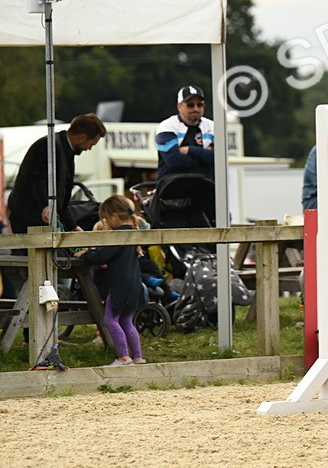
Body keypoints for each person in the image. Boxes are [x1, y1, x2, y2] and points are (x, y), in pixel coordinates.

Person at [76, 195, 148, 366]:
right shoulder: (133, 234)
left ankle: (123, 357)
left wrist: (85, 255)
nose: (106, 223)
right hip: (134, 285)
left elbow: (102, 255)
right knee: (126, 321)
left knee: (110, 320)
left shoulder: (117, 236)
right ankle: (138, 357)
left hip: (119, 286)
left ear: (114, 217)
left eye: (106, 219)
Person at [6, 113, 106, 234]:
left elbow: (61, 198)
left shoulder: (63, 149)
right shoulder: (50, 147)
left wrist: (72, 226)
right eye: (91, 144)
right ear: (81, 138)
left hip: (36, 217)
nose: (89, 148)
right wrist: (46, 205)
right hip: (27, 218)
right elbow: (39, 180)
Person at [157, 85, 215, 180]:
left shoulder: (212, 126)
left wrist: (189, 150)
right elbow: (174, 162)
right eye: (190, 105)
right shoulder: (167, 126)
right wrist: (205, 156)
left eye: (199, 105)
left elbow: (219, 158)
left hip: (206, 188)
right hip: (172, 187)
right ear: (179, 106)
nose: (195, 109)